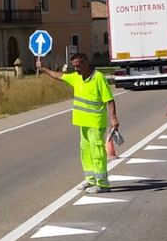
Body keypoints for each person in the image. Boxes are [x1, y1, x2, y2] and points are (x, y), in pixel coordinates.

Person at [38, 52, 119, 193]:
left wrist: (113, 118)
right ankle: (90, 180)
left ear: (86, 63)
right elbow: (58, 76)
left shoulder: (98, 78)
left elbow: (109, 99)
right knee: (85, 152)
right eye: (74, 66)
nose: (76, 69)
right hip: (83, 123)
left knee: (97, 152)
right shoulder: (76, 78)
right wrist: (44, 70)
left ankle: (102, 184)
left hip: (96, 123)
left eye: (78, 65)